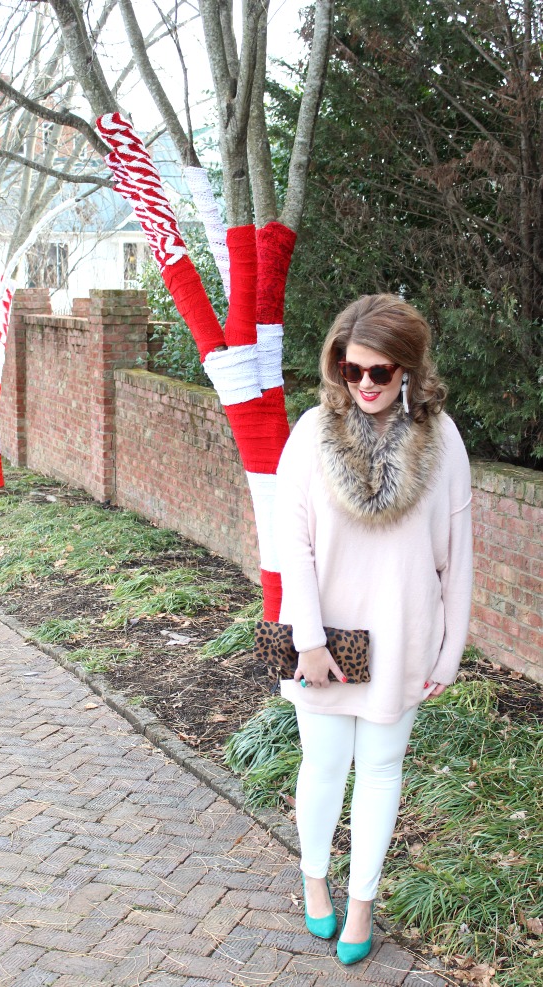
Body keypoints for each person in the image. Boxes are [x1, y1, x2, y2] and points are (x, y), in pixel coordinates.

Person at [274, 294, 473, 965]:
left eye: (380, 372)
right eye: (350, 368)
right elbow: (290, 542)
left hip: (402, 633)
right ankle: (315, 881)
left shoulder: (443, 442)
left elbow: (459, 551)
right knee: (325, 765)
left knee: (381, 771)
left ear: (409, 371)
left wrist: (450, 649)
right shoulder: (309, 433)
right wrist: (307, 640)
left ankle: (363, 904)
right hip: (322, 634)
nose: (363, 383)